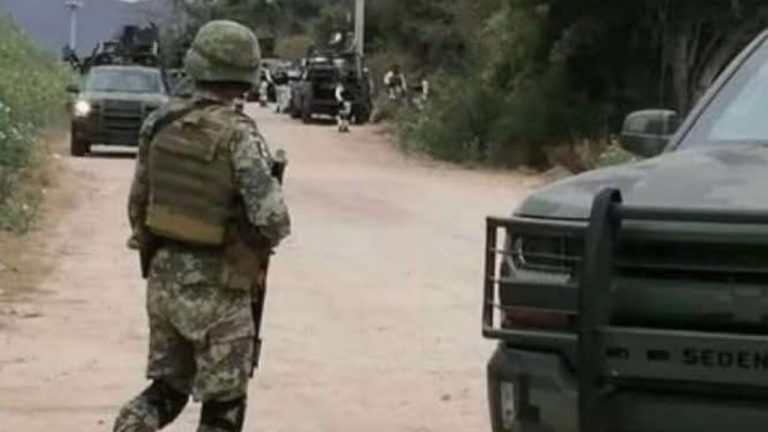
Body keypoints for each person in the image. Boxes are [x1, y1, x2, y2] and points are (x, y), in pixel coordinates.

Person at [114, 20, 291, 432]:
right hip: (220, 288)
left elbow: (138, 205)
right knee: (223, 406)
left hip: (163, 280)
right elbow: (274, 220)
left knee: (166, 391)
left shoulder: (158, 122)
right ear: (245, 74)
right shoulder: (238, 135)